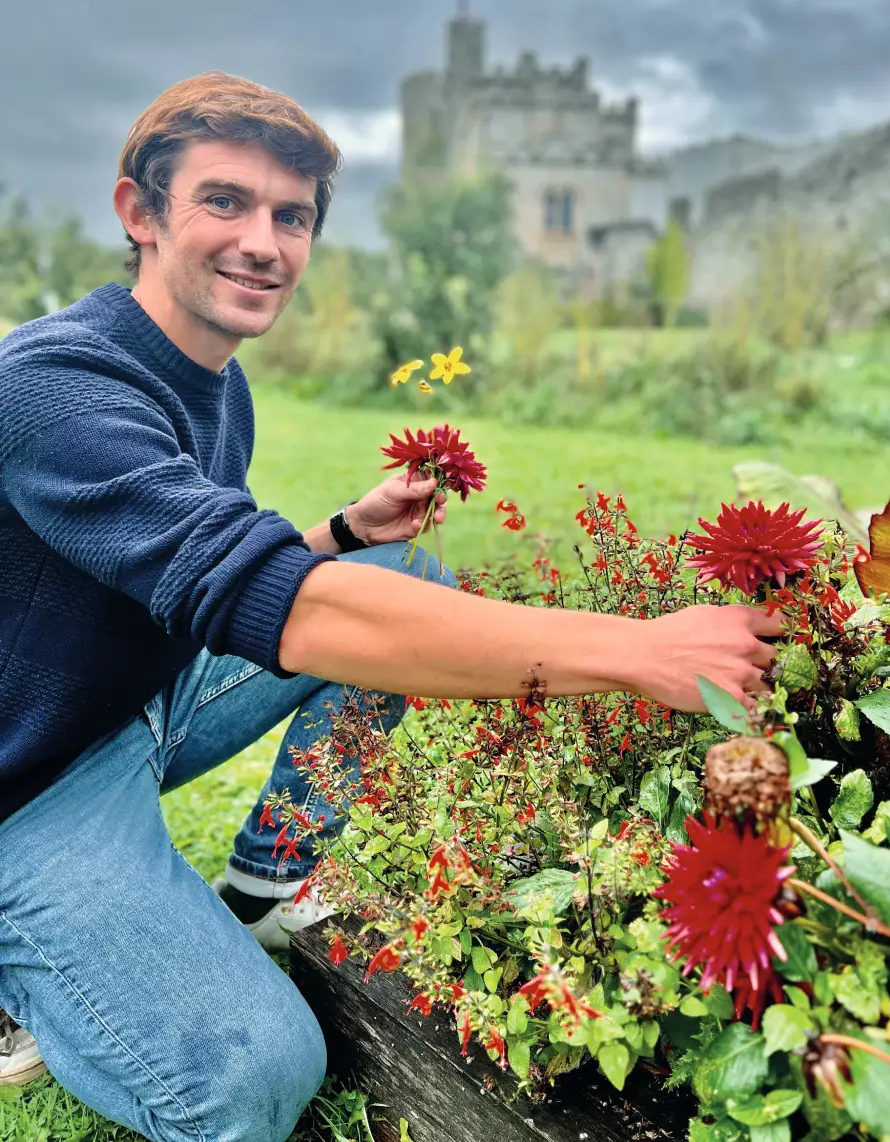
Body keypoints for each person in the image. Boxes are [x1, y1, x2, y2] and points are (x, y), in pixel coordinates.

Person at [0, 72, 783, 1142]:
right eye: (223, 202)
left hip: (131, 698)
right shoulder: (54, 389)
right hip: (29, 786)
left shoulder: (217, 381)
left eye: (292, 216)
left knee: (401, 577)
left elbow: (212, 575)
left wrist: (343, 538)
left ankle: (265, 883)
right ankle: (30, 975)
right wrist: (636, 647)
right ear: (139, 212)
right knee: (252, 1081)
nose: (264, 243)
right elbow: (287, 610)